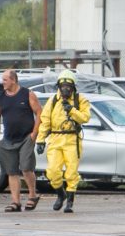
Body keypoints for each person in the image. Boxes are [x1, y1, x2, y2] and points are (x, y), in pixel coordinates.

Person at [35, 69, 91, 213]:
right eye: (63, 86)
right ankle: (61, 194)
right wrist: (40, 140)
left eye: (69, 86)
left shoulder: (80, 100)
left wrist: (71, 110)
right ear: (58, 87)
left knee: (71, 172)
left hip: (72, 139)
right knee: (52, 172)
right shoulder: (53, 101)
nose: (65, 89)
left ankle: (70, 201)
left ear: (73, 87)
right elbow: (45, 120)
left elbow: (85, 117)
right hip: (55, 138)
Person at [0, 69, 43, 212]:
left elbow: (39, 112)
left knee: (26, 168)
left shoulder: (27, 94)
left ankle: (32, 195)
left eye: (5, 80)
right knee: (12, 171)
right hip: (8, 139)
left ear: (13, 80)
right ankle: (16, 202)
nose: (2, 82)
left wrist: (34, 133)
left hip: (26, 138)